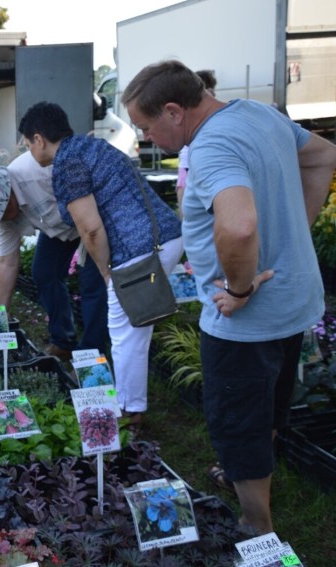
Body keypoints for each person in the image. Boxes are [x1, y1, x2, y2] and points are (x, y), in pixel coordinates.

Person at [121, 60, 336, 534]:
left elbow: (238, 227)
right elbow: (323, 155)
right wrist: (295, 227)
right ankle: (252, 479)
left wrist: (239, 289)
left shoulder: (213, 145)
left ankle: (255, 523)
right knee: (269, 405)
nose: (146, 138)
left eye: (146, 126)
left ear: (174, 111)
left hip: (246, 321)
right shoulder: (258, 114)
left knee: (237, 421)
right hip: (292, 304)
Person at [16, 102, 183, 423]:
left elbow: (90, 228)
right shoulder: (93, 145)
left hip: (137, 249)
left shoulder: (66, 163)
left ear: (38, 139)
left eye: (27, 143)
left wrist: (107, 273)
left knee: (124, 332)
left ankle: (126, 413)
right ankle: (129, 404)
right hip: (165, 235)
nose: (29, 150)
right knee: (134, 327)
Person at [0, 150, 109, 359]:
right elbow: (7, 262)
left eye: (0, 210)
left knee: (92, 283)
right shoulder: (4, 220)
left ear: (8, 192)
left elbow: (89, 199)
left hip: (92, 217)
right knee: (44, 272)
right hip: (60, 225)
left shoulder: (39, 172)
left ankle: (93, 355)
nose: (1, 218)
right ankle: (63, 340)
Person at [175, 70, 217, 211]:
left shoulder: (211, 112)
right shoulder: (188, 107)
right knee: (185, 213)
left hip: (192, 166)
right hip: (186, 166)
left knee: (191, 212)